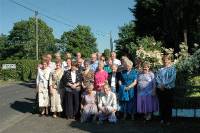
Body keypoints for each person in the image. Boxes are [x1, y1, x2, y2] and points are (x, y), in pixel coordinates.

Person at [156, 54, 176, 125]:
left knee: (168, 105)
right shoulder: (160, 69)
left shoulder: (173, 69)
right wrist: (160, 85)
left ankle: (168, 120)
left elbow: (172, 79)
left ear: (170, 60)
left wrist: (164, 84)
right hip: (160, 89)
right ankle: (162, 119)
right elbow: (157, 78)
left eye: (167, 59)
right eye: (164, 60)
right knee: (162, 105)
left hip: (169, 89)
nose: (165, 61)